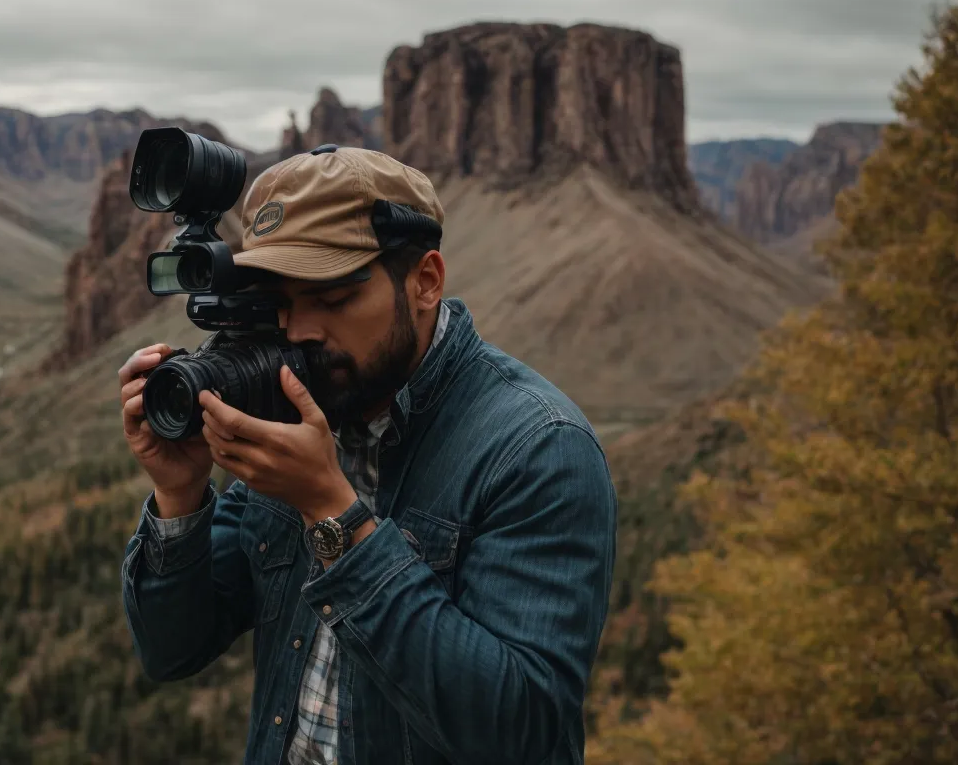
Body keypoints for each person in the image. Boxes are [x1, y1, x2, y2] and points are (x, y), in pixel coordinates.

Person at [117, 144, 617, 765]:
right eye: (281, 302)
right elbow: (172, 650)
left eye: (332, 299)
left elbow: (523, 732)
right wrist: (180, 494)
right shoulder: (301, 411)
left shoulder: (538, 448)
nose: (301, 331)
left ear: (425, 282)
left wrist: (333, 513)